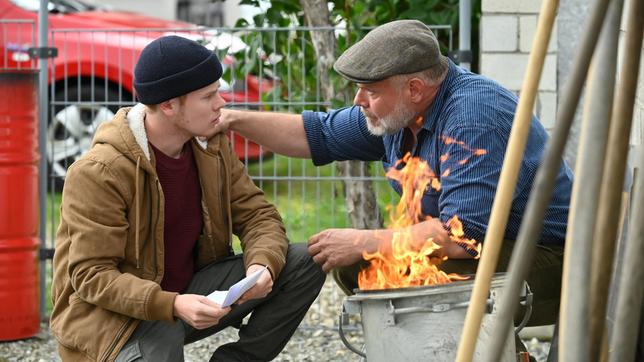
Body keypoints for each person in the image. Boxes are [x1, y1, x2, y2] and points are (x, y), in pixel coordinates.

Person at [213, 20, 572, 328]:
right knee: (360, 267)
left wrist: (362, 240)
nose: (358, 100)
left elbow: (461, 237)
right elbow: (317, 134)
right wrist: (230, 119)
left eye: (370, 90)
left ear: (414, 88)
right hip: (491, 250)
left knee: (376, 265)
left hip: (552, 263)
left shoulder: (473, 118)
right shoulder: (401, 113)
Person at [50, 35, 325, 362]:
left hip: (187, 294)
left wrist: (261, 265)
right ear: (168, 105)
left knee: (306, 260)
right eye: (208, 96)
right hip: (117, 318)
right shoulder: (100, 171)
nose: (221, 103)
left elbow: (257, 216)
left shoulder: (211, 145)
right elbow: (91, 276)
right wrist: (172, 304)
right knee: (162, 333)